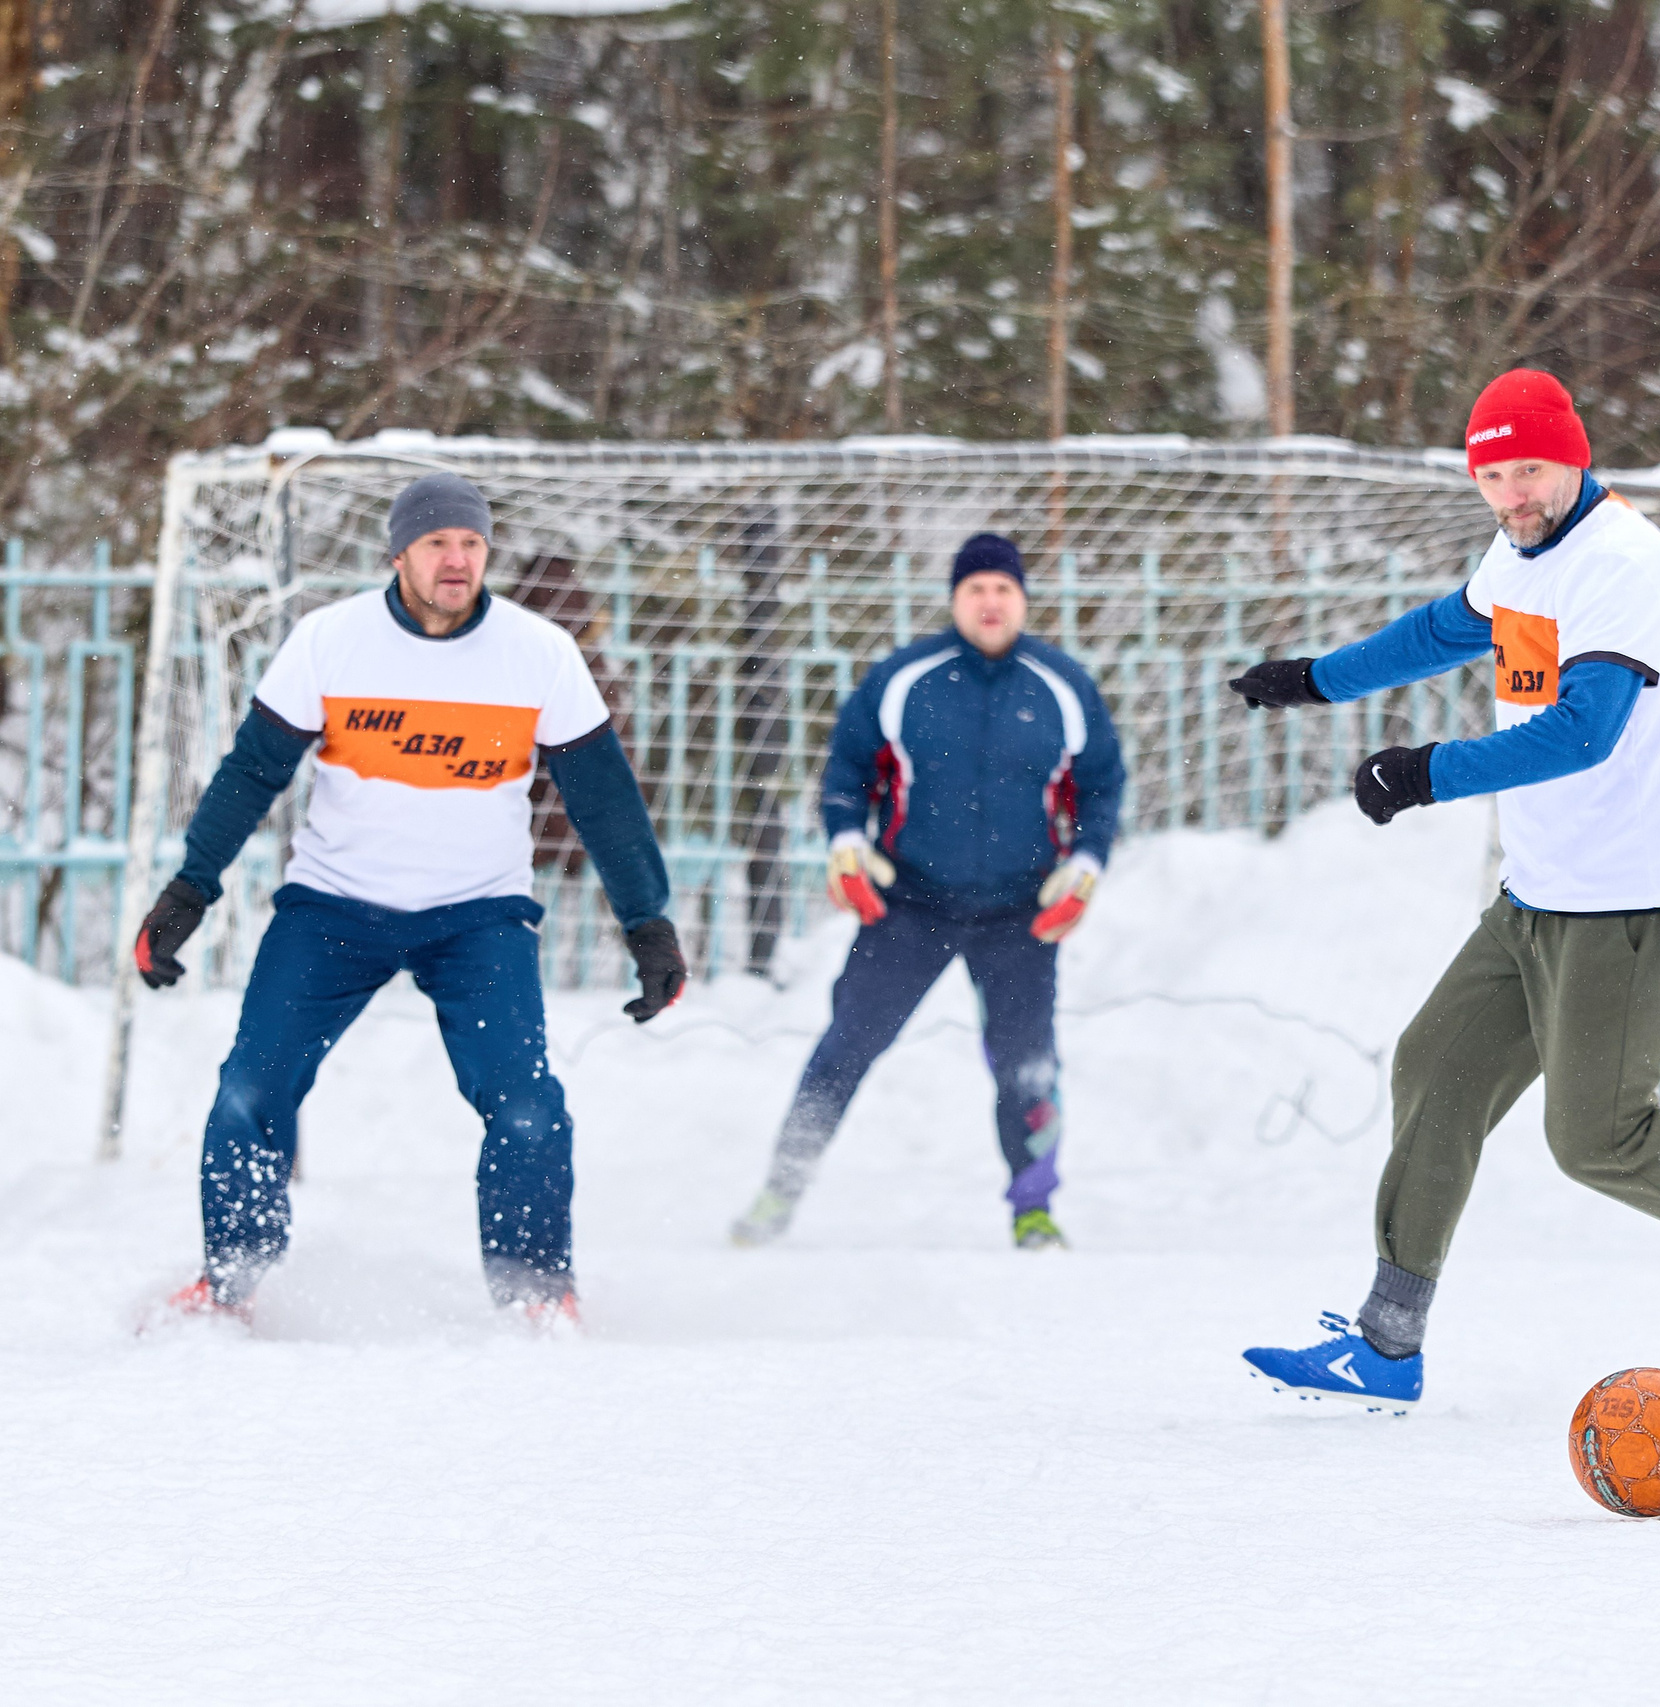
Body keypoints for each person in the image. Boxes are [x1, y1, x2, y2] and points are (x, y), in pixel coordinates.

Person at [1229, 370, 1660, 1415]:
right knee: (1436, 1069)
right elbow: (1449, 630)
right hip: (1541, 894)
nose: (1511, 494)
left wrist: (1422, 773)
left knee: (1601, 1138)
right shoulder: (1522, 549)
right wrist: (1318, 678)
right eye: (1491, 476)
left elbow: (1585, 734)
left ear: (1575, 457)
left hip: (1633, 901)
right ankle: (1387, 1344)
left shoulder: (1621, 565)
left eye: (1528, 470)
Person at [134, 472, 686, 1329]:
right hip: (333, 908)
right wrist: (188, 889)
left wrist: (647, 921)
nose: (457, 559)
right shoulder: (330, 641)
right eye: (437, 543)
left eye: (471, 543)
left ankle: (537, 1291)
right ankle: (230, 1283)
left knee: (530, 1108)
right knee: (249, 1090)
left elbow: (603, 798)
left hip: (478, 918)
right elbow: (252, 772)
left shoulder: (539, 652)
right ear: (399, 554)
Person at [729, 533, 1125, 1252]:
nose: (990, 601)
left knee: (1026, 1062)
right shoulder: (906, 678)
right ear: (955, 599)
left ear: (1023, 600)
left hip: (1021, 910)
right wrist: (846, 840)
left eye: (1004, 588)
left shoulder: (1063, 685)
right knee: (845, 1044)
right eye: (976, 588)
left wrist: (1089, 860)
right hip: (910, 903)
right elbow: (848, 769)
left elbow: (1101, 782)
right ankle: (779, 1190)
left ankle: (1033, 1210)